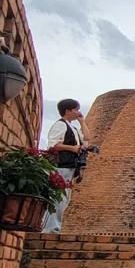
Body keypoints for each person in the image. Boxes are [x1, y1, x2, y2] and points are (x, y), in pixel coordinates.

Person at [42, 99, 88, 233]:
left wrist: (82, 122)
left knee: (63, 199)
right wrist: (73, 148)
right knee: (57, 198)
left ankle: (54, 228)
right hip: (60, 165)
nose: (78, 112)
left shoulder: (72, 128)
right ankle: (49, 229)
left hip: (69, 167)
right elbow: (53, 145)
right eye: (76, 109)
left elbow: (87, 137)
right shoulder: (60, 125)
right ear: (67, 111)